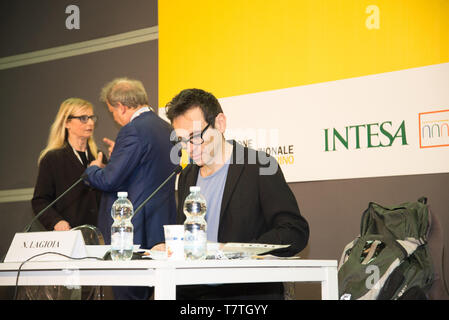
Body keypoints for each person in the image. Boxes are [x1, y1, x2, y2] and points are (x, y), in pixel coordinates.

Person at [165, 88, 310, 299]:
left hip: (246, 291)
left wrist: (237, 250)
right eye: (181, 140)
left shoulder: (259, 166)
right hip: (193, 291)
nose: (189, 148)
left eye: (195, 137)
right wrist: (172, 247)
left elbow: (295, 232)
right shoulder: (187, 175)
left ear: (220, 124)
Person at [85, 77, 177, 300]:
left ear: (121, 106)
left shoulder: (133, 131)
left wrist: (93, 169)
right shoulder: (168, 128)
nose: (115, 118)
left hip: (130, 233)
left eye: (112, 111)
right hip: (160, 230)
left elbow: (108, 180)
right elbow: (148, 172)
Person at [32, 98, 103, 231]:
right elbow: (40, 201)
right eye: (83, 118)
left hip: (99, 234)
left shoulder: (98, 156)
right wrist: (56, 221)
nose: (90, 122)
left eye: (92, 117)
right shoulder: (53, 158)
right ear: (66, 123)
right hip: (69, 234)